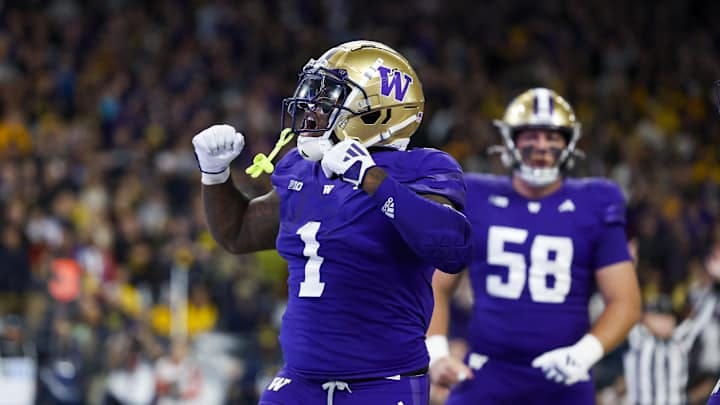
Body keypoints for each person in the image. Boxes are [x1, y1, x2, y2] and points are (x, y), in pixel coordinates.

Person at [191, 40, 473, 405]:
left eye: (328, 100)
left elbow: (452, 248)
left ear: (375, 112)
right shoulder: (303, 169)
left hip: (382, 384)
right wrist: (215, 176)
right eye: (312, 95)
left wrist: (372, 179)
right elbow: (239, 232)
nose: (310, 109)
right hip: (298, 382)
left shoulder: (423, 169)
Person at [426, 88, 642, 404]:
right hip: (486, 373)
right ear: (510, 140)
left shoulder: (596, 200)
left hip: (566, 377)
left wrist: (583, 354)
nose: (541, 146)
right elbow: (436, 285)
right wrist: (437, 353)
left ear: (569, 143)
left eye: (553, 136)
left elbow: (625, 300)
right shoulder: (476, 194)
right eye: (531, 135)